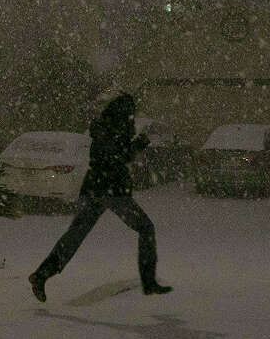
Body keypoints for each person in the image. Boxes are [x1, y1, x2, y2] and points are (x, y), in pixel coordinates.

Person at [28, 93, 172, 301]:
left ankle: (42, 274)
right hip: (111, 190)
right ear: (125, 112)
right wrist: (138, 144)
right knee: (145, 227)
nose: (133, 116)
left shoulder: (106, 126)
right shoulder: (115, 128)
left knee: (76, 234)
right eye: (132, 113)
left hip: (95, 188)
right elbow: (117, 158)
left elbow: (112, 156)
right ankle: (149, 282)